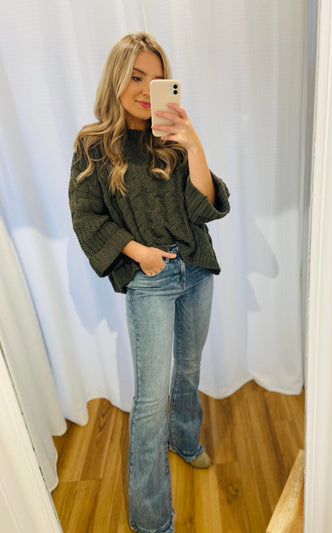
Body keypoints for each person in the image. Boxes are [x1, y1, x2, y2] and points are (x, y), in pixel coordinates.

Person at [68, 32, 230, 533]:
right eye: (136, 76)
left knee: (189, 368)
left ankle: (185, 439)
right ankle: (152, 520)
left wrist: (193, 142)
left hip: (196, 267)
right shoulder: (93, 145)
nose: (145, 89)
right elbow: (86, 217)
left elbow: (204, 208)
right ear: (116, 77)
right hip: (151, 278)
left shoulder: (171, 139)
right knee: (149, 399)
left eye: (157, 80)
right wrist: (140, 254)